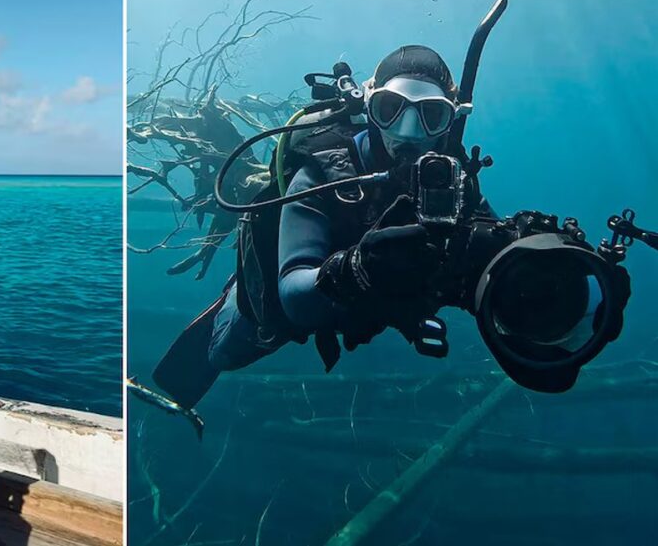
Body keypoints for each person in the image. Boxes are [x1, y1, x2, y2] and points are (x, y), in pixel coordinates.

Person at [154, 45, 495, 407]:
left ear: (450, 119)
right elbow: (293, 299)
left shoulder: (455, 184)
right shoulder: (323, 172)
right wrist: (354, 269)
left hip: (370, 307)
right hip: (307, 289)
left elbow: (495, 256)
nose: (409, 133)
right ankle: (237, 293)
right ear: (369, 108)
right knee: (228, 351)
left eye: (431, 115)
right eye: (390, 110)